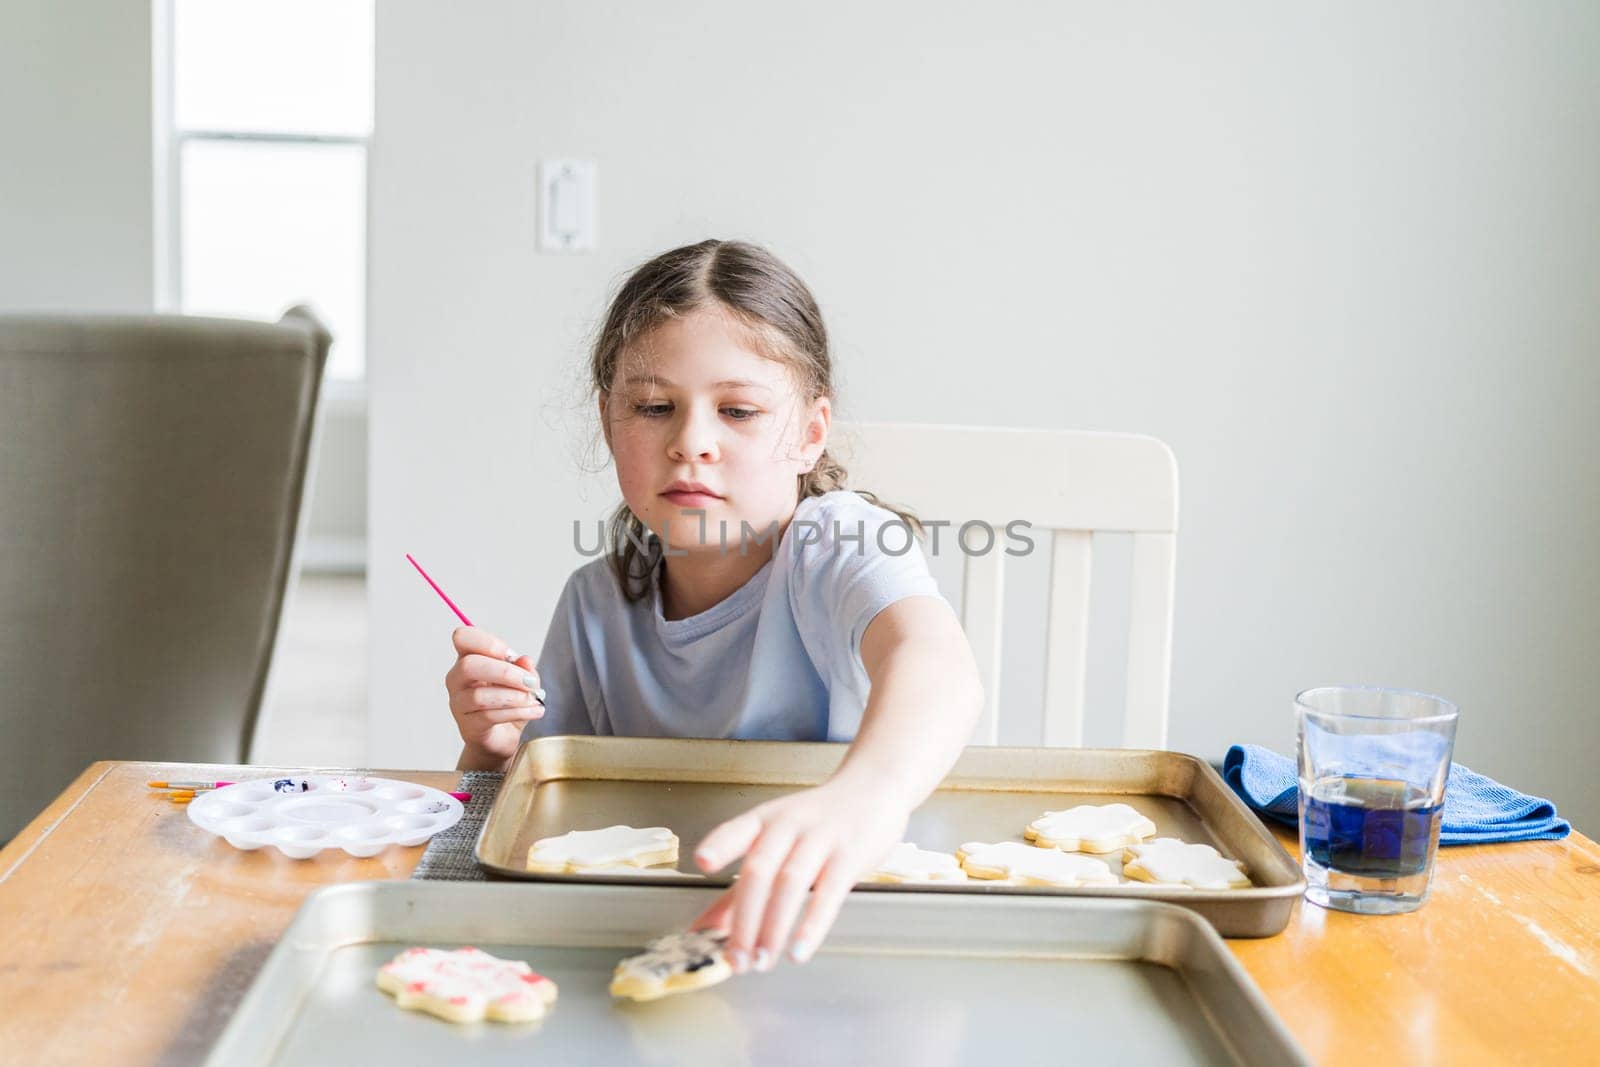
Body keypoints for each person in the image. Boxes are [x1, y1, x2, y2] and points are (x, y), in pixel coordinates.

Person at [444, 239, 982, 974]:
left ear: (809, 434)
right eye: (655, 406)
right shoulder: (593, 606)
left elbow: (936, 661)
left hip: (846, 932)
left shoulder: (838, 540)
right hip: (647, 940)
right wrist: (491, 749)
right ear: (609, 422)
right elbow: (538, 818)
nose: (691, 442)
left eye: (738, 410)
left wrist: (867, 798)